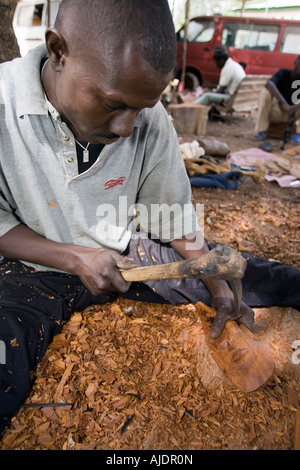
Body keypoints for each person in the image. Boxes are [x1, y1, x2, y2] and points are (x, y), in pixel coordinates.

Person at [0, 0, 299, 436]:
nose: (127, 127)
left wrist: (215, 285)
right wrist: (73, 258)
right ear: (58, 51)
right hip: (27, 267)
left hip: (124, 255)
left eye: (141, 108)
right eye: (113, 103)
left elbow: (174, 217)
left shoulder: (147, 119)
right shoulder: (3, 103)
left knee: (266, 279)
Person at [252, 56, 300, 142]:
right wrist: (284, 103)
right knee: (265, 92)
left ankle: (297, 134)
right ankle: (261, 131)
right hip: (277, 112)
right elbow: (269, 84)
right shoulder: (283, 73)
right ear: (295, 63)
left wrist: (295, 107)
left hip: (292, 115)